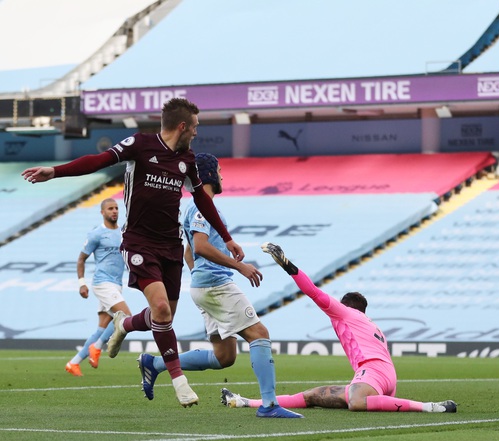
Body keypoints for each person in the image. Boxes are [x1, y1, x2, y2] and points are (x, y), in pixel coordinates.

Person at [21, 97, 244, 408]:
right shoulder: (139, 145)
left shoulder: (187, 160)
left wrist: (228, 238)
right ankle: (179, 381)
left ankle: (124, 324)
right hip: (139, 243)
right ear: (182, 126)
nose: (196, 132)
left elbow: (203, 201)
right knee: (163, 312)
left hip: (170, 246)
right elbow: (98, 161)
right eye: (194, 127)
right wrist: (55, 171)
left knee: (161, 316)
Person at [136, 153, 303, 418]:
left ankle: (154, 363)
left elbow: (189, 251)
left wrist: (199, 276)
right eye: (220, 170)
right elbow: (200, 246)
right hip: (216, 285)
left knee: (224, 357)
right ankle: (269, 406)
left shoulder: (195, 207)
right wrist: (239, 266)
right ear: (209, 175)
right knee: (259, 333)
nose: (222, 175)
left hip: (203, 286)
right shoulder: (202, 206)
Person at [221, 242, 457, 413]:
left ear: (347, 306)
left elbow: (313, 292)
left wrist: (287, 265)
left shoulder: (345, 312)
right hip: (383, 375)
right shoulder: (367, 323)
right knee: (311, 396)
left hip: (372, 372)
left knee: (356, 402)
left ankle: (429, 407)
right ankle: (244, 401)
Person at [65, 198, 131, 377]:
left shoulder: (124, 232)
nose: (114, 211)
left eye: (116, 208)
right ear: (102, 212)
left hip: (116, 284)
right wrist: (81, 283)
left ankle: (74, 363)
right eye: (110, 208)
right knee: (125, 317)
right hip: (102, 283)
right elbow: (81, 259)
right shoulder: (96, 234)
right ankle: (98, 347)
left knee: (102, 328)